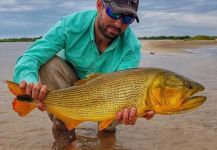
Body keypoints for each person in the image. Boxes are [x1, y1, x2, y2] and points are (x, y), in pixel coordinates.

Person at [13, 0, 155, 149]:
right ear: (99, 5)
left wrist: (140, 111)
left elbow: (126, 88)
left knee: (121, 106)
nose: (118, 24)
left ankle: (107, 136)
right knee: (49, 64)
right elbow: (32, 57)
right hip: (69, 86)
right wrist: (29, 82)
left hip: (108, 93)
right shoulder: (71, 25)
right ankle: (64, 135)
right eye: (114, 13)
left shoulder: (131, 47)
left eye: (127, 18)